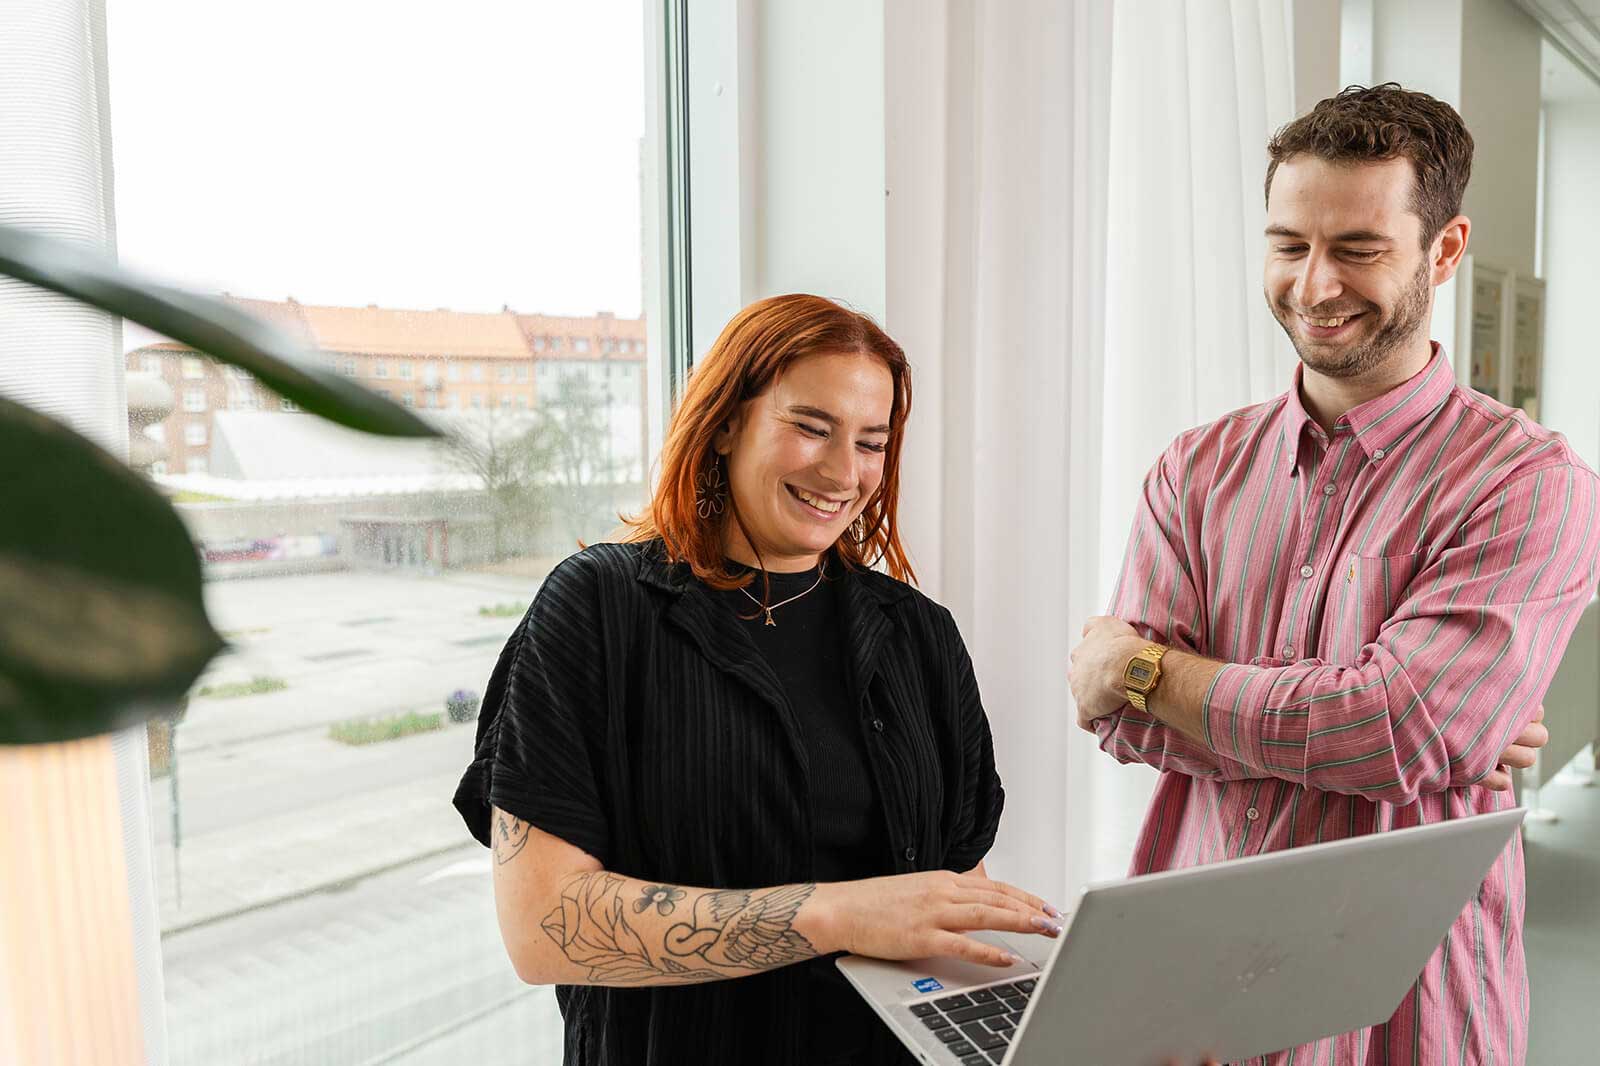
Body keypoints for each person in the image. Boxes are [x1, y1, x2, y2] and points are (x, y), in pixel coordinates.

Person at [1069, 84, 1598, 1064]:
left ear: (1443, 250)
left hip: (1409, 1005)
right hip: (1196, 988)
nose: (1314, 285)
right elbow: (1115, 722)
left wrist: (1151, 671)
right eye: (1287, 245)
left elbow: (1399, 727)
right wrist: (1381, 728)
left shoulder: (1530, 483)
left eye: (1357, 249)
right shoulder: (1194, 468)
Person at [454, 293, 1061, 1066]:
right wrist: (838, 914)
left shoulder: (921, 636)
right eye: (811, 427)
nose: (844, 472)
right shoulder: (597, 608)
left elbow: (958, 912)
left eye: (871, 442)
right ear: (728, 420)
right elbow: (543, 930)